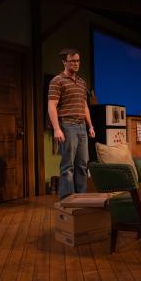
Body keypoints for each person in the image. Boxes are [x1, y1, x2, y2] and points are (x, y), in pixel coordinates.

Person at [48, 48, 95, 199]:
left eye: (78, 61)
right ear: (64, 62)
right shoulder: (57, 81)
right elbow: (52, 106)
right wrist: (56, 129)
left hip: (81, 126)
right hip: (67, 126)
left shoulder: (82, 82)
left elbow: (84, 105)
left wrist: (90, 126)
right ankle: (67, 199)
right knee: (68, 165)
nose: (76, 64)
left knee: (82, 164)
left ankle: (80, 198)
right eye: (72, 61)